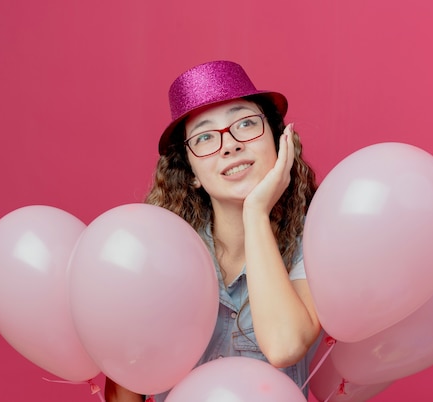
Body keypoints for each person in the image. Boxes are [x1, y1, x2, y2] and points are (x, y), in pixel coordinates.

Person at [105, 60, 322, 401]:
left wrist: (255, 212)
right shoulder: (157, 251)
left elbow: (285, 345)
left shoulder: (315, 238)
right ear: (190, 171)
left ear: (280, 142)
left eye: (247, 123)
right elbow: (126, 385)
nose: (230, 144)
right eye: (205, 136)